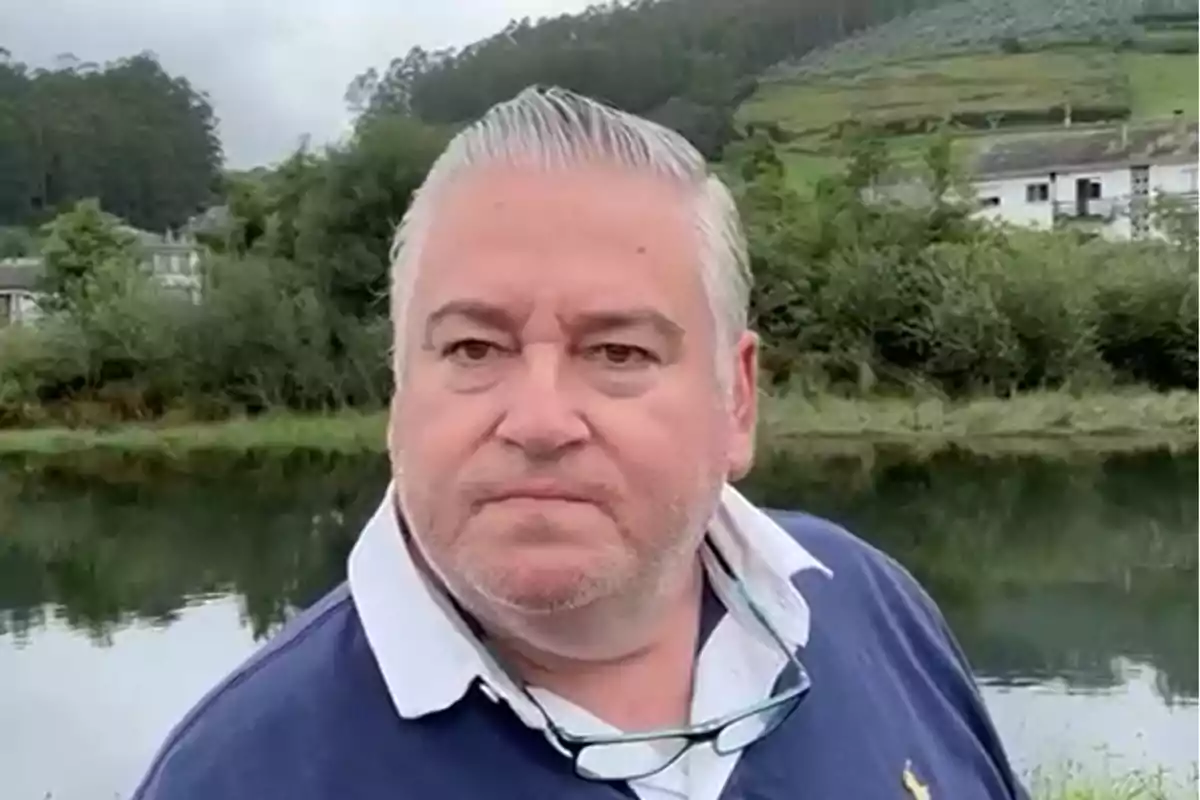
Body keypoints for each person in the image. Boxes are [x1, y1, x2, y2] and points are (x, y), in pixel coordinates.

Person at [133, 85, 1029, 800]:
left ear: (738, 400)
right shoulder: (239, 774)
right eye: (474, 348)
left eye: (618, 352)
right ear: (400, 391)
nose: (539, 421)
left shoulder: (870, 607)